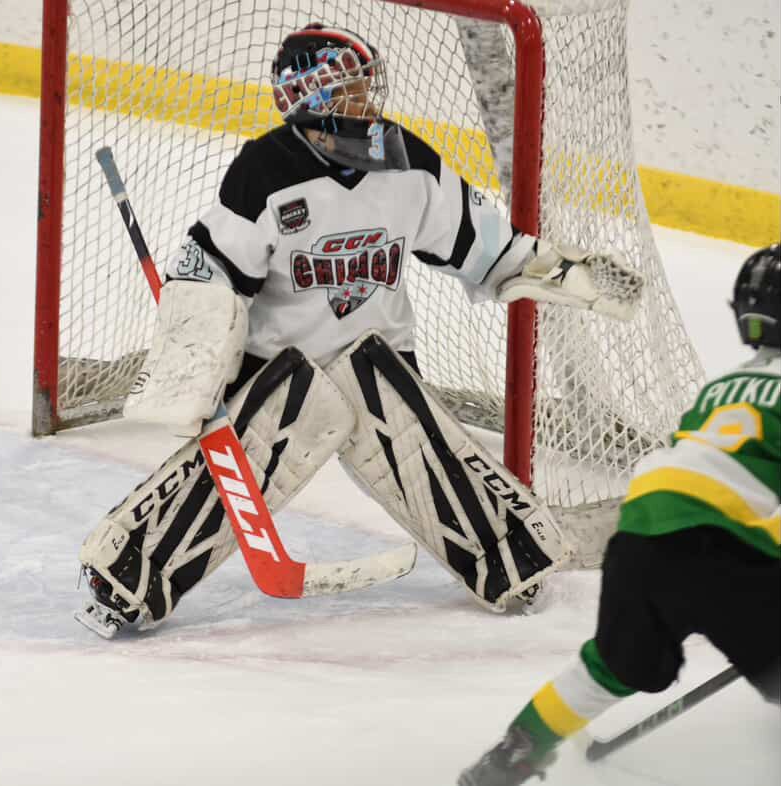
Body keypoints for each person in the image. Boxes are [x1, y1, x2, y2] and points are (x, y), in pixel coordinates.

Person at [74, 23, 644, 638]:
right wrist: (196, 368)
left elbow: (485, 247)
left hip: (380, 367)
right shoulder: (265, 171)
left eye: (365, 83)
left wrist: (563, 271)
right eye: (351, 85)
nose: (368, 98)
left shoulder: (407, 161)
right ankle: (125, 575)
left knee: (427, 451)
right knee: (233, 470)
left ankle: (512, 562)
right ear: (313, 95)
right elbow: (211, 276)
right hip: (280, 373)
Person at [458, 244, 781, 786]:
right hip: (720, 547)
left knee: (611, 667)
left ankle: (507, 760)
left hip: (638, 541)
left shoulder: (722, 390)